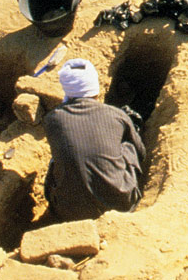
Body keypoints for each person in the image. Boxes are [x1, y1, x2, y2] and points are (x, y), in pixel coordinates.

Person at [42, 59, 146, 222]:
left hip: (68, 213)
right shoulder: (117, 115)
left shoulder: (52, 120)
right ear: (95, 89)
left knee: (58, 160)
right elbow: (140, 151)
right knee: (127, 144)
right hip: (121, 206)